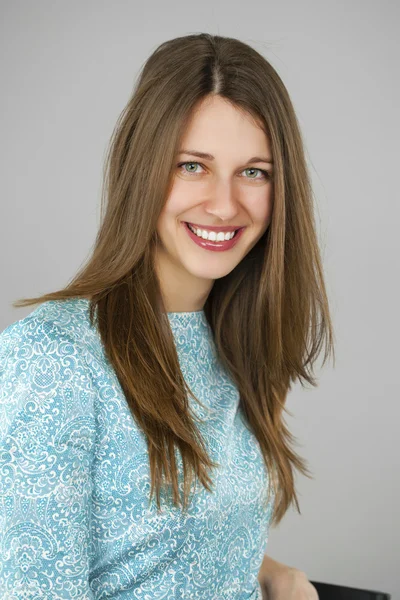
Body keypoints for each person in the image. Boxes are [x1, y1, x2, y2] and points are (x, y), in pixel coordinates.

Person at [0, 33, 333, 599]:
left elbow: (163, 545)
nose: (225, 204)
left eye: (254, 172)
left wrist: (271, 571)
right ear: (142, 167)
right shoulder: (52, 360)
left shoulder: (239, 344)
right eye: (192, 166)